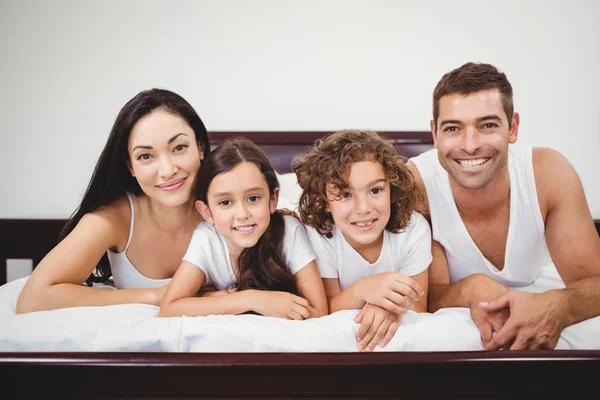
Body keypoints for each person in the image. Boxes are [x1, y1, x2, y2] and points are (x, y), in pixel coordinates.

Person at [408, 62, 600, 350]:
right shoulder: (416, 184)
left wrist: (559, 303)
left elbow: (594, 282)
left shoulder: (549, 173)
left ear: (512, 128)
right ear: (435, 134)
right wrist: (474, 288)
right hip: (461, 309)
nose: (470, 145)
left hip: (542, 290)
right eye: (453, 128)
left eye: (487, 125)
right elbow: (426, 297)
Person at [16, 88, 210, 314]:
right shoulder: (115, 218)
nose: (167, 170)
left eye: (179, 148)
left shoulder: (235, 207)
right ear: (130, 167)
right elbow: (33, 299)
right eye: (145, 156)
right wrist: (156, 295)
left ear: (201, 148)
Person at [292, 130, 432, 352]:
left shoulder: (413, 230)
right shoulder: (319, 235)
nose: (364, 208)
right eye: (346, 194)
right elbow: (327, 306)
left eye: (375, 190)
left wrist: (388, 308)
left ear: (392, 190)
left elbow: (419, 304)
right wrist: (364, 290)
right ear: (324, 200)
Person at [159, 137, 328, 319]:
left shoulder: (290, 231)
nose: (242, 214)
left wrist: (213, 298)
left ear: (273, 199)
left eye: (253, 198)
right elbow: (170, 308)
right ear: (206, 211)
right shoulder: (206, 238)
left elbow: (318, 310)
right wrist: (252, 299)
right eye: (225, 202)